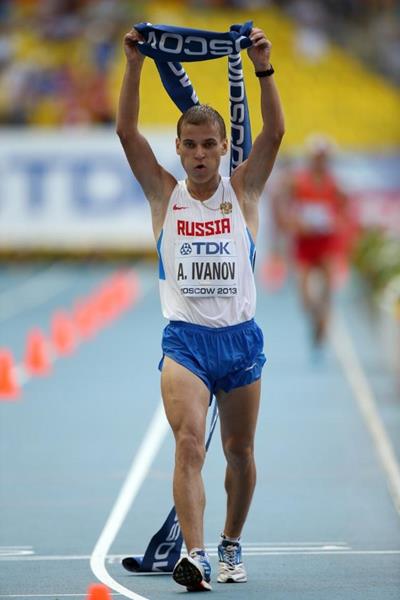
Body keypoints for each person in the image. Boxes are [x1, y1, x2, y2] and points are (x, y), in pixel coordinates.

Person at [116, 24, 284, 592]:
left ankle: (231, 542)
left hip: (239, 340)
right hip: (184, 341)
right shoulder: (166, 194)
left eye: (209, 144)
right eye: (189, 144)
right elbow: (125, 131)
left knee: (239, 452)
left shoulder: (246, 192)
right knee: (188, 443)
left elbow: (276, 132)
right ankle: (196, 554)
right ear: (180, 149)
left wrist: (263, 68)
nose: (199, 154)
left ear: (222, 147)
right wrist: (136, 64)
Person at [275, 135, 349, 350]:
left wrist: (337, 221)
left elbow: (345, 208)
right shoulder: (298, 181)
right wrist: (291, 221)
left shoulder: (334, 183)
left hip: (325, 242)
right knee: (304, 296)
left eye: (324, 157)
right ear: (311, 158)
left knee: (327, 288)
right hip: (304, 242)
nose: (320, 161)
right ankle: (316, 317)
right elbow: (281, 201)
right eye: (317, 157)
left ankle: (324, 318)